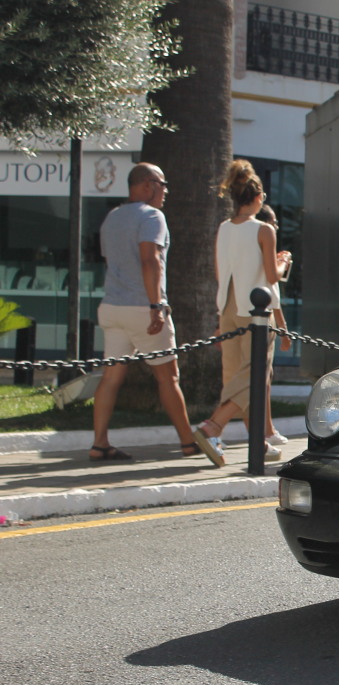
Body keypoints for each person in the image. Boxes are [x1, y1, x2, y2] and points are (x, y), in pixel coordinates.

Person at [89, 163, 199, 462]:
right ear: (148, 184)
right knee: (168, 377)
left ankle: (99, 444)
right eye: (163, 185)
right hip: (143, 307)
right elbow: (150, 260)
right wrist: (156, 306)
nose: (165, 192)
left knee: (111, 377)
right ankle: (188, 443)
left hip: (112, 307)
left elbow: (114, 261)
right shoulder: (152, 216)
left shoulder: (112, 217)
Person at [191, 160, 292, 467]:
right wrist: (284, 262)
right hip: (256, 312)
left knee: (235, 376)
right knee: (255, 374)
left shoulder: (223, 229)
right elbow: (272, 277)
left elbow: (221, 273)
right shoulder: (264, 230)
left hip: (228, 309)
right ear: (258, 197)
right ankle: (213, 427)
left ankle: (257, 444)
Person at [254, 203, 291, 446]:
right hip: (260, 322)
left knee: (264, 378)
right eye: (274, 223)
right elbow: (273, 290)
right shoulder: (267, 258)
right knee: (261, 379)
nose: (276, 227)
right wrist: (283, 263)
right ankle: (263, 432)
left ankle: (266, 429)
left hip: (256, 318)